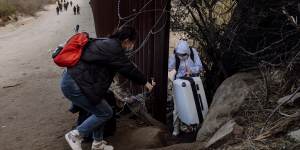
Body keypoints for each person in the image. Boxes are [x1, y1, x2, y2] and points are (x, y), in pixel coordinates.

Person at [61, 26, 155, 150]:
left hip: (78, 82)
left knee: (100, 110)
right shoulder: (113, 48)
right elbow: (128, 68)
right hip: (75, 84)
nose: (131, 46)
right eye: (132, 43)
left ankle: (98, 144)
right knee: (105, 112)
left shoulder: (107, 43)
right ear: (126, 41)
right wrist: (146, 83)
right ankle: (76, 135)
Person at [168, 39, 203, 136]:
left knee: (194, 104)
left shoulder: (193, 52)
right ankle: (176, 129)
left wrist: (191, 70)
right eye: (180, 55)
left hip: (192, 83)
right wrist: (173, 58)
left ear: (187, 52)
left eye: (183, 55)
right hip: (179, 83)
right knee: (177, 107)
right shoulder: (175, 55)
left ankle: (194, 127)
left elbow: (200, 67)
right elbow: (169, 67)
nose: (181, 57)